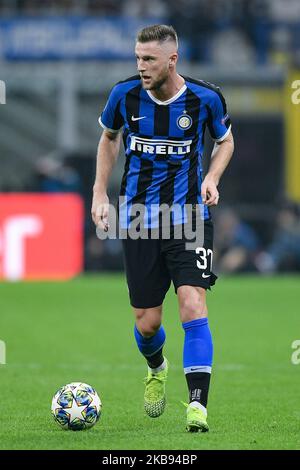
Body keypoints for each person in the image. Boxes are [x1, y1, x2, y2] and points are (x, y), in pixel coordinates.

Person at [92, 24, 234, 432]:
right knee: (148, 322)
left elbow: (225, 141)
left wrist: (213, 179)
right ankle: (156, 366)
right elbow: (108, 138)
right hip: (137, 220)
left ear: (173, 59)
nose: (141, 66)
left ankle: (197, 407)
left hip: (189, 217)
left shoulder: (205, 98)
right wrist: (99, 194)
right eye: (138, 58)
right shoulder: (124, 95)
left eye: (149, 59)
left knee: (193, 303)